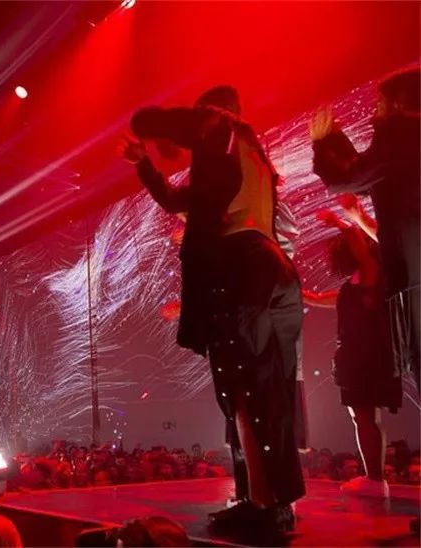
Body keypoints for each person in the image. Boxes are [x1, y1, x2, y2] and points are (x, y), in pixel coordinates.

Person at [121, 85, 304, 535]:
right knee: (271, 389)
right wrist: (144, 164)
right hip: (275, 267)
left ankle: (262, 505)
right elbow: (175, 200)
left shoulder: (218, 126)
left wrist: (145, 127)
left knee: (243, 387)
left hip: (242, 264)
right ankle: (272, 500)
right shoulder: (253, 153)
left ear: (212, 110)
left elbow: (158, 121)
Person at [311, 66, 420, 387]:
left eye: (380, 103)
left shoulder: (400, 131)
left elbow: (346, 178)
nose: (375, 112)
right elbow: (370, 173)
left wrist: (322, 142)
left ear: (397, 103)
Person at [304, 207, 402, 497]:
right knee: (364, 417)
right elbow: (324, 298)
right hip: (363, 357)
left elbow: (361, 250)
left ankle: (374, 480)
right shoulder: (361, 280)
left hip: (364, 358)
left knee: (364, 417)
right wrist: (301, 293)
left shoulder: (372, 272)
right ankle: (374, 479)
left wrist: (340, 221)